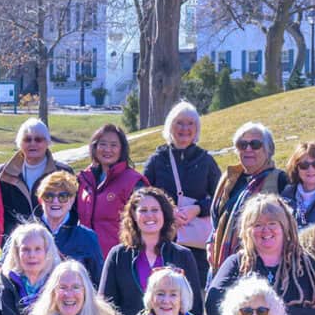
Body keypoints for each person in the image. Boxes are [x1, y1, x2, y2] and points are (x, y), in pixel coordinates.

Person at [204, 194, 315, 315]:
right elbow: (213, 305)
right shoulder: (237, 263)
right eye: (257, 225)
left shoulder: (306, 265)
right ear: (247, 230)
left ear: (285, 226)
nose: (265, 230)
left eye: (272, 223)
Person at [100, 186, 201, 315]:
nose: (149, 215)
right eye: (143, 210)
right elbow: (106, 306)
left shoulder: (183, 255)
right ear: (134, 216)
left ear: (164, 214)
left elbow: (195, 307)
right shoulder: (118, 256)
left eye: (155, 210)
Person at [141, 101, 222, 266]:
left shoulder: (206, 161)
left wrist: (198, 208)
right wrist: (167, 210)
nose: (185, 128)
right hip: (162, 241)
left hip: (197, 247)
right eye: (179, 123)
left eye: (190, 123)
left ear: (197, 128)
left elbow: (221, 198)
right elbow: (140, 194)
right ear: (170, 126)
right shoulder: (157, 160)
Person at [207, 122, 283, 269]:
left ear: (268, 150)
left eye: (255, 144)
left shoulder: (279, 181)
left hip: (256, 263)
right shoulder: (229, 178)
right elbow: (217, 218)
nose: (248, 149)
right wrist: (210, 241)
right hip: (220, 260)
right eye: (242, 145)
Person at [76, 122, 144, 252]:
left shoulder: (133, 181)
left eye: (113, 145)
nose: (107, 149)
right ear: (95, 148)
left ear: (121, 149)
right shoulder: (83, 180)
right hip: (86, 258)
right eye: (102, 144)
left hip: (119, 258)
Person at [35, 170, 104, 283]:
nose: (55, 201)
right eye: (49, 196)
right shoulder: (25, 234)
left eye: (63, 196)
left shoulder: (87, 237)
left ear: (72, 200)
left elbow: (99, 283)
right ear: (40, 200)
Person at [0, 118, 57, 229]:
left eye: (38, 139)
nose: (33, 143)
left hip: (53, 240)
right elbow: (1, 211)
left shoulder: (61, 173)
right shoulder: (6, 173)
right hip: (17, 240)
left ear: (47, 142)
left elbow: (72, 211)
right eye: (27, 139)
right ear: (20, 143)